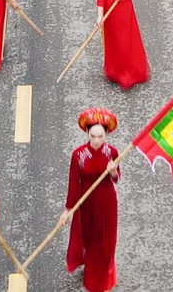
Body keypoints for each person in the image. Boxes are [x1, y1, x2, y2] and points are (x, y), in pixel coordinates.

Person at [59, 108, 122, 292]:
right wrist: (68, 209)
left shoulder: (112, 152)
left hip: (106, 202)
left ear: (106, 135)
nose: (96, 140)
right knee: (89, 237)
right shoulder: (78, 155)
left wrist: (112, 172)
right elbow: (73, 183)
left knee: (105, 239)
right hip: (85, 203)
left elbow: (117, 178)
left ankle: (101, 277)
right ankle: (90, 262)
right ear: (87, 133)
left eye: (100, 136)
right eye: (93, 136)